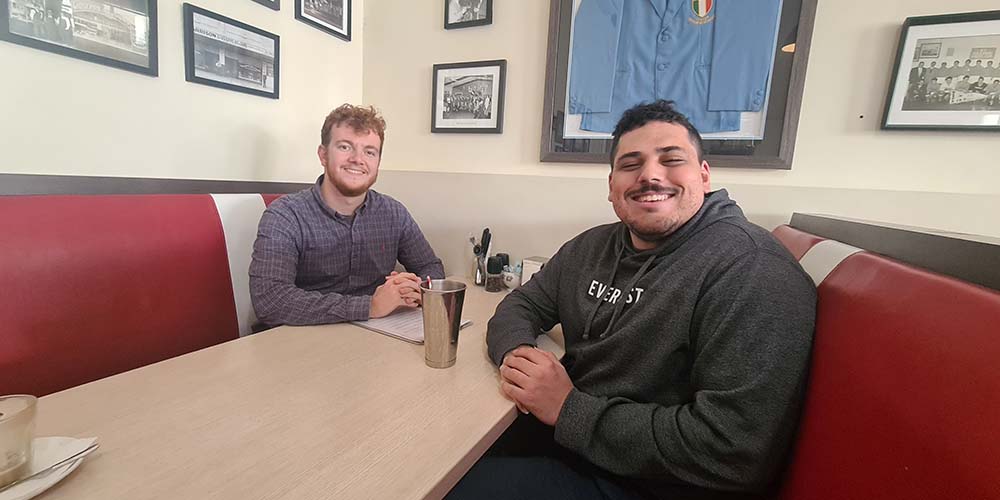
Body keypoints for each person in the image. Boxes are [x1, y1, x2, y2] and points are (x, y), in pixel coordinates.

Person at [447, 100, 816, 500]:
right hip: (575, 442)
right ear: (611, 186)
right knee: (438, 447)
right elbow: (521, 304)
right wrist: (517, 355)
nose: (650, 175)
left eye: (671, 159)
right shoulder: (591, 247)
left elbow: (732, 450)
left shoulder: (750, 268)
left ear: (704, 176)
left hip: (651, 484)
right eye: (630, 164)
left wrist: (568, 407)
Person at [249, 104, 444, 329]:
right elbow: (271, 301)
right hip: (300, 341)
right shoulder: (285, 216)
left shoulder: (393, 213)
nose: (357, 159)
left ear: (378, 162)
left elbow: (431, 266)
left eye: (369, 152)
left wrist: (419, 289)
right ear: (323, 155)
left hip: (376, 336)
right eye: (345, 147)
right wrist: (370, 306)